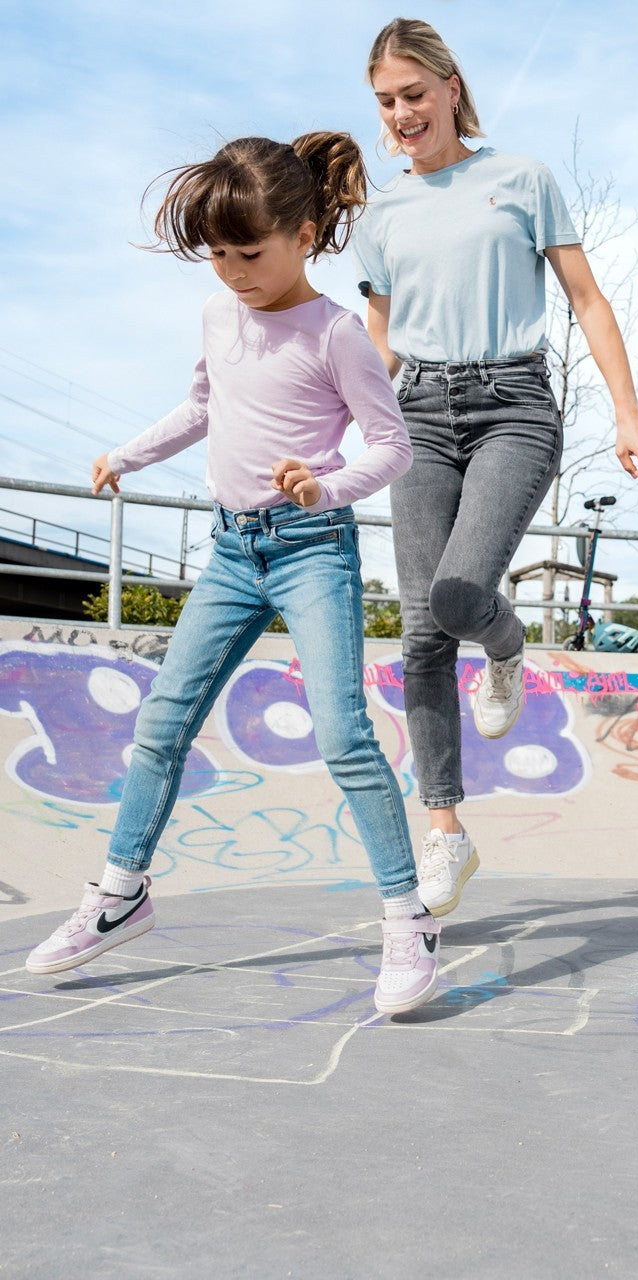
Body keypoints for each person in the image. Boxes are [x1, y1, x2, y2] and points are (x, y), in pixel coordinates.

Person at [24, 133, 440, 1017]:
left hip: (310, 548)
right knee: (161, 723)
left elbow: (393, 445)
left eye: (249, 253)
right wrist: (126, 455)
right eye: (217, 255)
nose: (234, 274)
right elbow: (205, 405)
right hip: (229, 553)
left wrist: (326, 486)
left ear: (305, 233)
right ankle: (120, 893)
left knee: (344, 737)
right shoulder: (220, 316)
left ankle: (409, 918)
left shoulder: (337, 335)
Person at [354, 18, 638, 917]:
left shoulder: (522, 178)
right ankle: (446, 832)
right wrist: (342, 434)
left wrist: (629, 414)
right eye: (386, 100)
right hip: (418, 412)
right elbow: (379, 342)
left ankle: (505, 647)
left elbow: (587, 299)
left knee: (460, 597)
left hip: (514, 406)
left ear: (450, 88)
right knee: (421, 633)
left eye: (415, 94)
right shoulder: (381, 215)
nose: (402, 114)